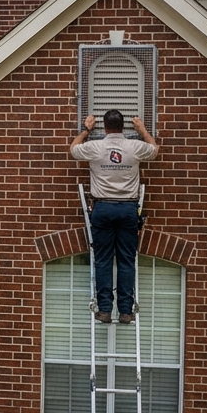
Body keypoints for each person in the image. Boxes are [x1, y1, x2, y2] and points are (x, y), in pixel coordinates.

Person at [69, 110, 160, 324]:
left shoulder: (95, 147)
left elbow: (73, 149)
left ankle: (105, 310)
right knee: (126, 260)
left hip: (103, 208)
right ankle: (126, 311)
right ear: (122, 127)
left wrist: (86, 130)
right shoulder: (134, 147)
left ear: (105, 127)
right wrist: (143, 130)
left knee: (103, 260)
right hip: (128, 208)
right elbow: (155, 150)